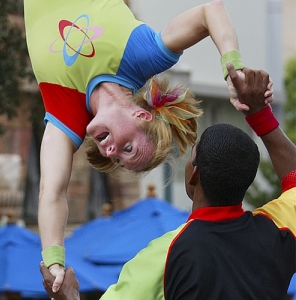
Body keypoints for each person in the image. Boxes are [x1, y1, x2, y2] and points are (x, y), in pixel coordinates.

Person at [24, 0, 274, 292]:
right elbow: (210, 11)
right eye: (127, 148)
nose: (110, 152)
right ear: (141, 115)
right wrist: (233, 68)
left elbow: (51, 191)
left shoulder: (65, 116)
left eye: (117, 159)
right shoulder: (139, 58)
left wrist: (54, 260)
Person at [39, 64, 295, 299]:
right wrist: (261, 114)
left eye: (191, 154)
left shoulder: (165, 257)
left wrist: (68, 296)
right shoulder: (277, 232)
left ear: (194, 175)